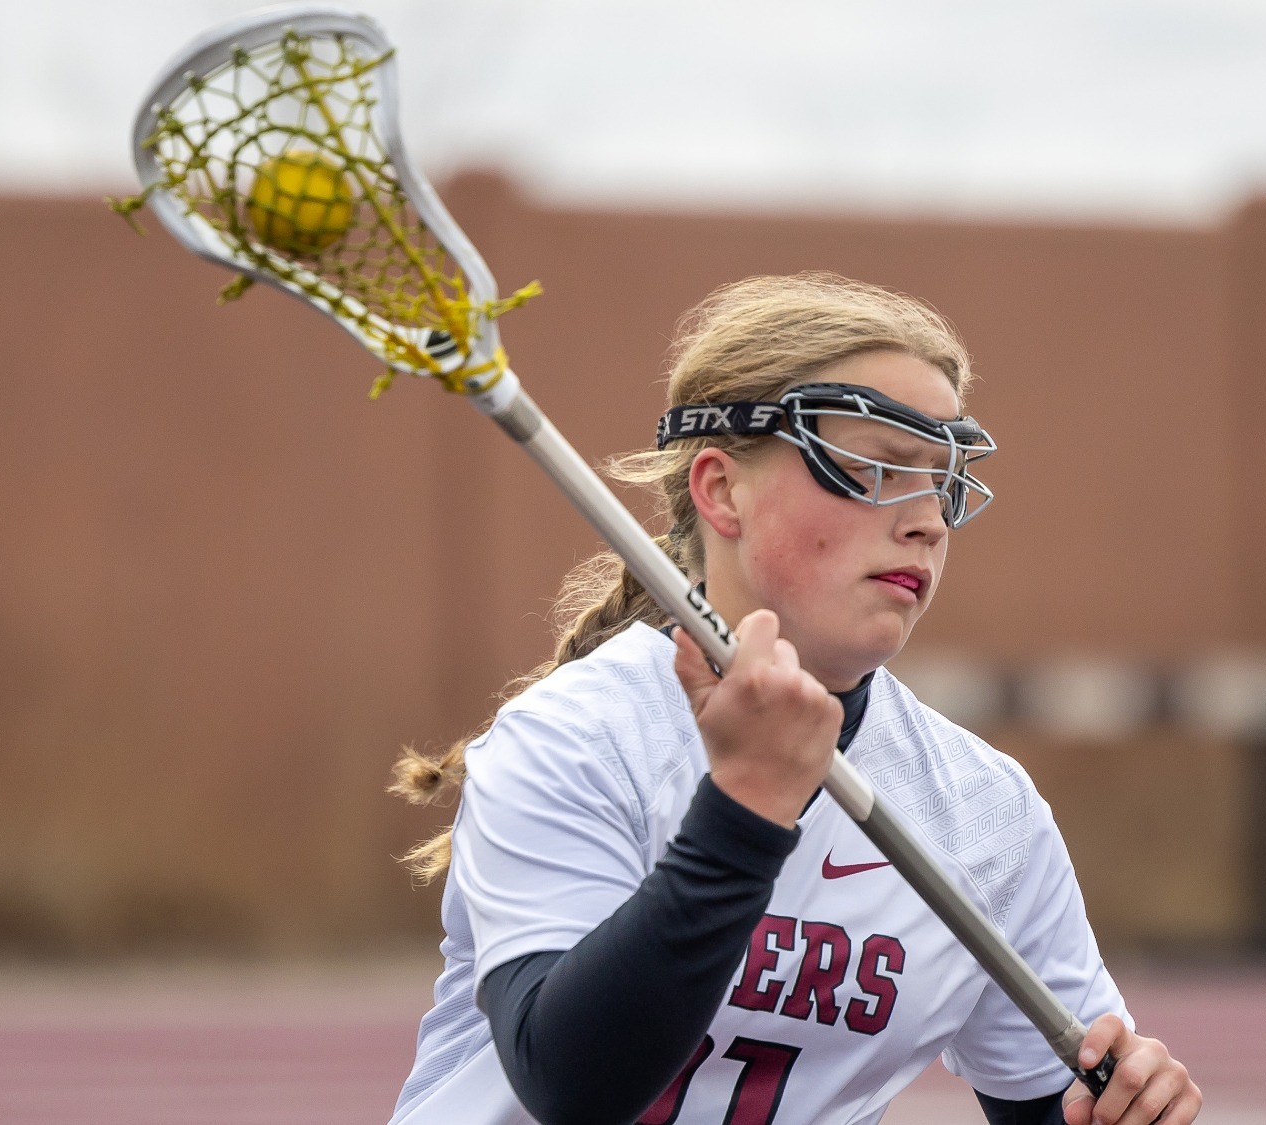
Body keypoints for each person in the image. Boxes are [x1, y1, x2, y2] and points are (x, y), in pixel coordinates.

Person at [388, 273, 1200, 1125]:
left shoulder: (986, 813)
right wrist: (746, 811)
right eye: (871, 467)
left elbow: (1046, 1105)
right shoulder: (575, 738)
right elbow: (571, 1084)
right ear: (720, 490)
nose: (925, 518)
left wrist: (1119, 1112)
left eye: (940, 478)